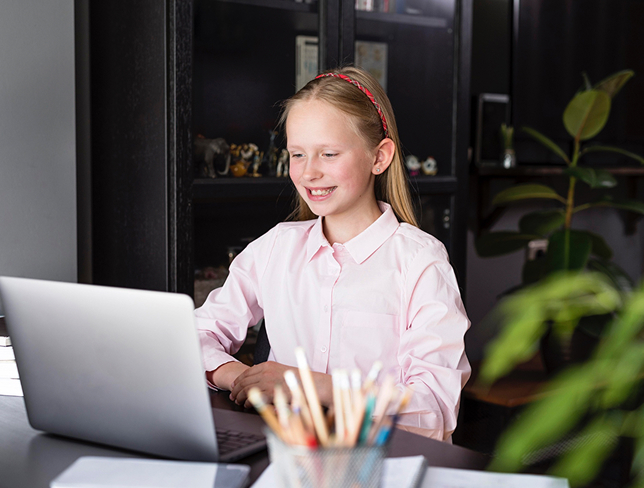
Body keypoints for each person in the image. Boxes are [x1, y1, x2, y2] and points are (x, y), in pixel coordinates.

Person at [195, 66, 470, 441]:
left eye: (328, 153)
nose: (309, 173)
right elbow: (193, 335)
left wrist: (307, 385)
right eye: (297, 154)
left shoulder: (420, 262)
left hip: (380, 464)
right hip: (290, 455)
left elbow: (432, 407)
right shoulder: (276, 247)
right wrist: (243, 378)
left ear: (380, 157)